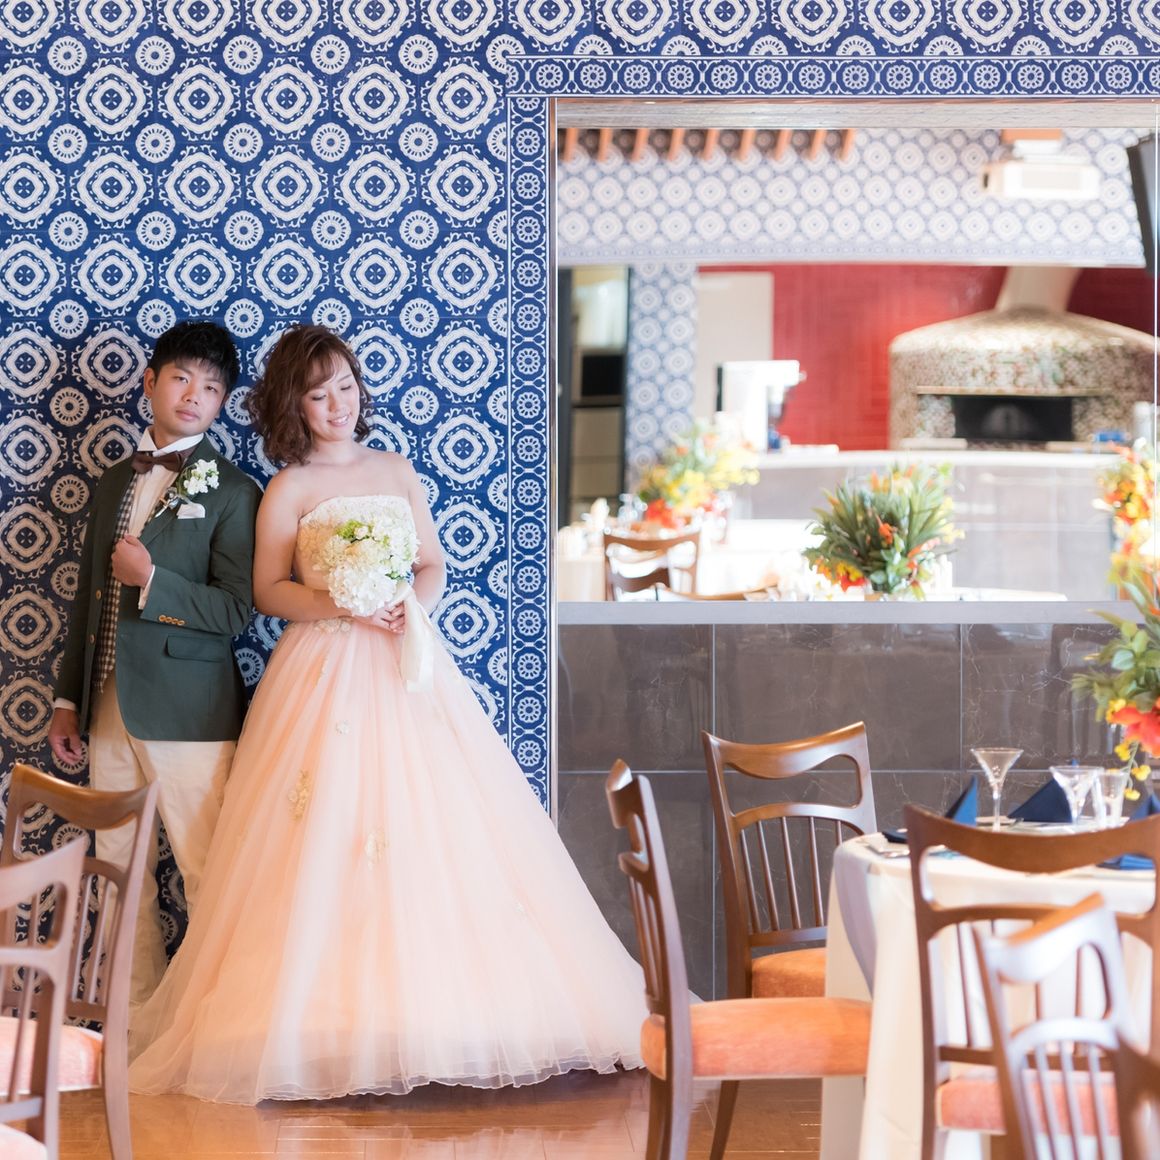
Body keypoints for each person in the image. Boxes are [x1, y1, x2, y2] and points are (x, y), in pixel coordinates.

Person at [128, 324, 645, 1103]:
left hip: (408, 666)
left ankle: (443, 1013)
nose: (338, 404)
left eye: (345, 386)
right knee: (322, 832)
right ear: (294, 407)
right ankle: (323, 1024)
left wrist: (410, 606)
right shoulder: (288, 487)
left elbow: (432, 562)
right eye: (319, 394)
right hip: (321, 673)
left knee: (440, 826)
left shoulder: (396, 469)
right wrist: (343, 600)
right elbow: (268, 591)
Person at [48, 320, 262, 1008]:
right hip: (108, 707)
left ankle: (217, 1032)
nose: (195, 396)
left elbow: (237, 611)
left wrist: (152, 582)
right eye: (181, 378)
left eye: (212, 388)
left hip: (191, 714)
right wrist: (68, 700)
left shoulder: (235, 491)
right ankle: (132, 1036)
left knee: (209, 875)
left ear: (222, 402)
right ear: (150, 382)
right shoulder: (115, 481)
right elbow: (88, 596)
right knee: (118, 877)